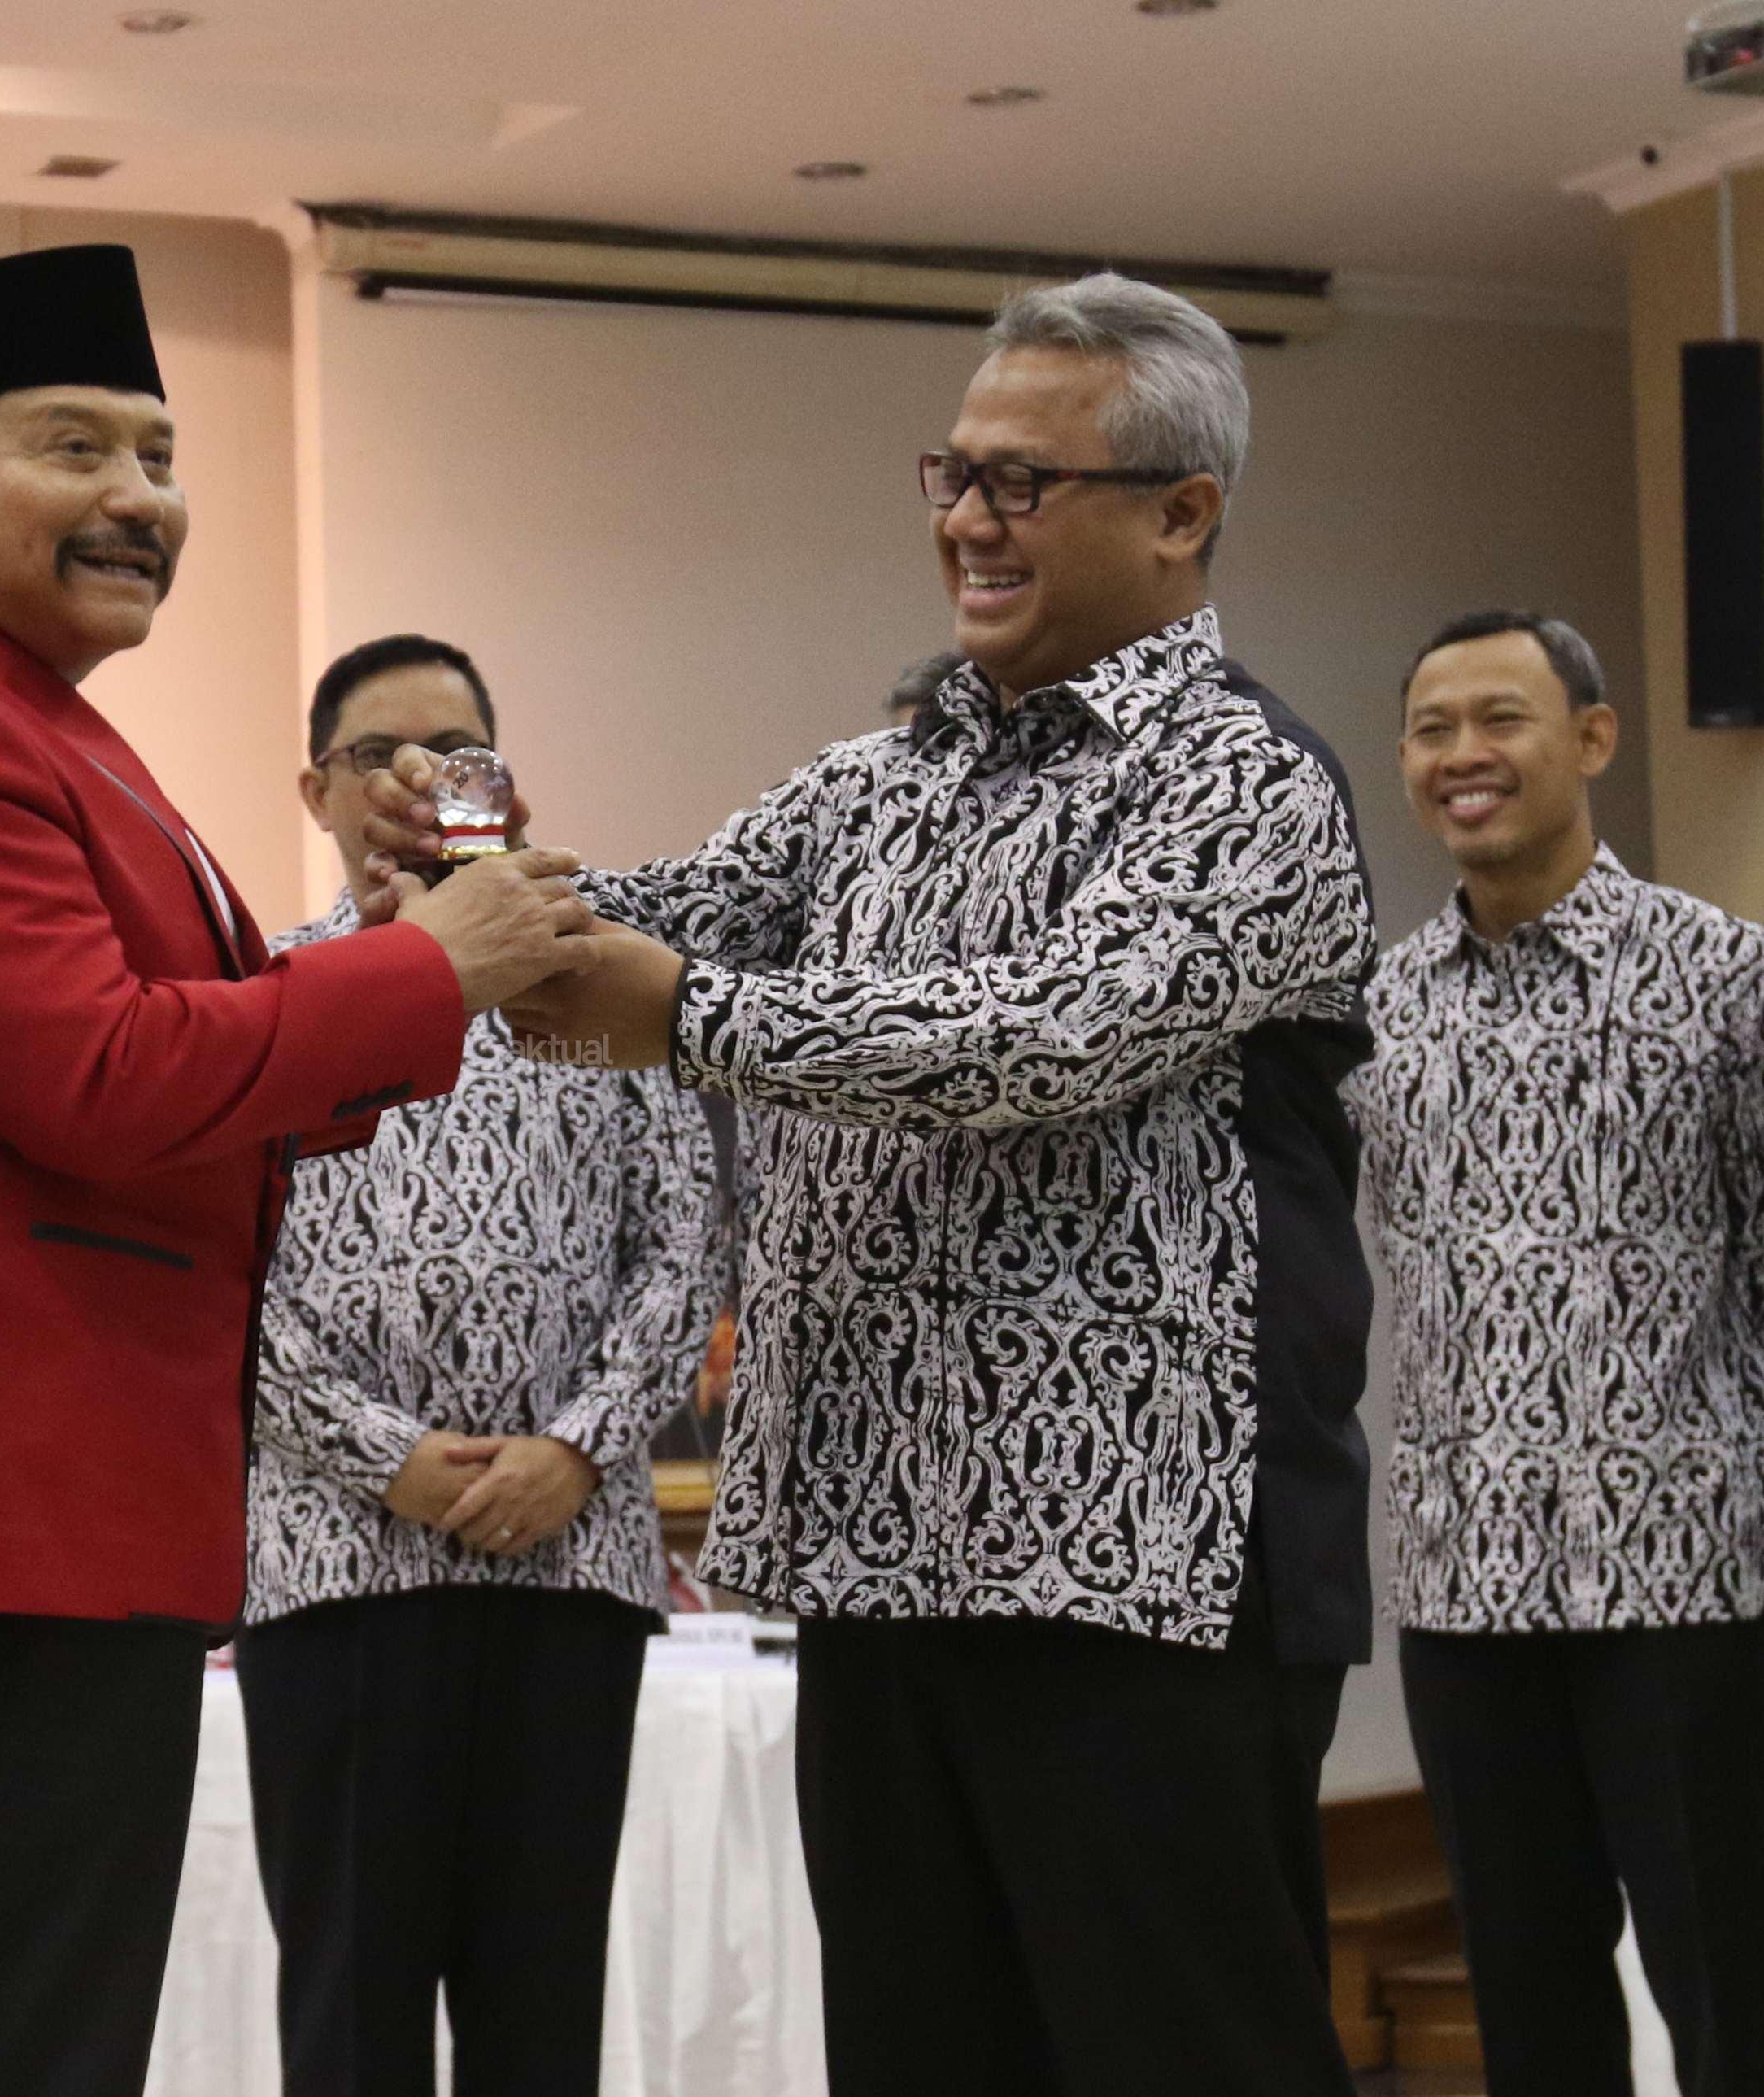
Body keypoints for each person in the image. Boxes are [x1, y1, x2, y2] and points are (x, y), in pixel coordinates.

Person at [368, 272, 1377, 2095]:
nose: (969, 519)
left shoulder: (1249, 783)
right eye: (955, 472)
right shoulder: (882, 778)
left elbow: (1042, 1036)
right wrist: (475, 894)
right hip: (880, 1535)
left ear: (1181, 513)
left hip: (1135, 1560)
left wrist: (681, 1009)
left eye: (1023, 481)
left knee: (1182, 2057)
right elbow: (665, 917)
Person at [0, 247, 602, 2097]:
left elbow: (168, 1057)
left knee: (34, 2031)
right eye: (77, 448)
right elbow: (105, 1077)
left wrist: (405, 944)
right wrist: (425, 970)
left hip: (73, 1479)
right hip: (9, 1475)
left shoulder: (25, 710)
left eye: (161, 454)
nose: (140, 497)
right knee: (14, 2043)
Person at [235, 631, 727, 2097]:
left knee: (540, 2013)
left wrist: (577, 1445)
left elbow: (686, 1242)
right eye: (375, 755)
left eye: (454, 754)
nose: (416, 780)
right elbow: (223, 1275)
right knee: (352, 2015)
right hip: (336, 1568)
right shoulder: (264, 991)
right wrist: (381, 1453)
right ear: (317, 790)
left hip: (567, 1568)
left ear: (502, 789)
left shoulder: (597, 983)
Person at [1351, 610, 1764, 2097]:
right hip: (1460, 1576)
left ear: (1593, 737)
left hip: (1676, 1568)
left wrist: (1686, 1415)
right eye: (1433, 729)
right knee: (1531, 2002)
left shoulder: (1729, 975)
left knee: (1727, 1989)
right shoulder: (1377, 1010)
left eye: (1502, 718)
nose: (1464, 755)